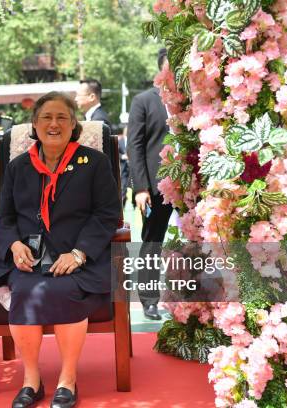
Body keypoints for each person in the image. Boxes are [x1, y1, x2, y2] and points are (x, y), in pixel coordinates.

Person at [0, 92, 120, 408]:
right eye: (46, 117)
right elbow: (4, 218)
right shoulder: (19, 167)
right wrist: (13, 244)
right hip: (30, 259)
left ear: (74, 124)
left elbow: (107, 215)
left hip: (78, 259)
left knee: (66, 290)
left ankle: (67, 380)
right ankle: (31, 380)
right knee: (23, 290)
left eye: (62, 117)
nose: (54, 124)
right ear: (34, 124)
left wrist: (79, 253)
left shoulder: (95, 162)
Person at [126, 48, 172, 320]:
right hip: (155, 186)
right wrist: (141, 188)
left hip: (189, 185)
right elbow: (135, 146)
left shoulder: (192, 102)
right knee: (152, 242)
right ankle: (149, 299)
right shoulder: (144, 101)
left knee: (197, 241)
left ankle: (196, 298)